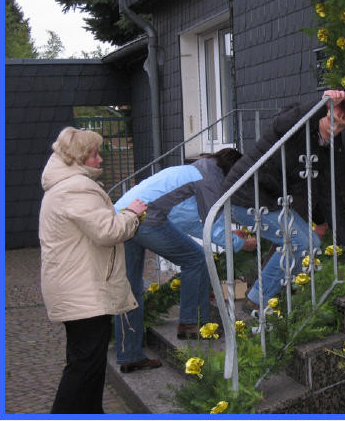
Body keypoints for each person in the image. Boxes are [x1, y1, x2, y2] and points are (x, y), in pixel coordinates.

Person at [222, 90, 345, 310]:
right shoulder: (295, 127)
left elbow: (327, 196)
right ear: (321, 113)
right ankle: (257, 300)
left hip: (270, 202)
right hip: (244, 196)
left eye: (342, 125)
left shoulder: (325, 150)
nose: (335, 129)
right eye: (331, 120)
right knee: (300, 242)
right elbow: (282, 122)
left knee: (311, 243)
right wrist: (322, 102)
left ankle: (259, 298)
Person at [113, 148, 256, 373]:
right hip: (145, 221)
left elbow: (190, 222)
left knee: (129, 292)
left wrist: (230, 237)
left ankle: (130, 355)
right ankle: (190, 322)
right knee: (196, 259)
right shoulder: (209, 179)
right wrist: (241, 244)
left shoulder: (193, 171)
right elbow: (213, 226)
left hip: (123, 218)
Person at [39, 127, 147, 414]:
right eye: (95, 154)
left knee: (88, 364)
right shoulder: (76, 187)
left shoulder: (62, 186)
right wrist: (132, 214)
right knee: (84, 366)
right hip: (84, 292)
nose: (100, 160)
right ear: (78, 157)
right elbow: (108, 231)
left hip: (77, 288)